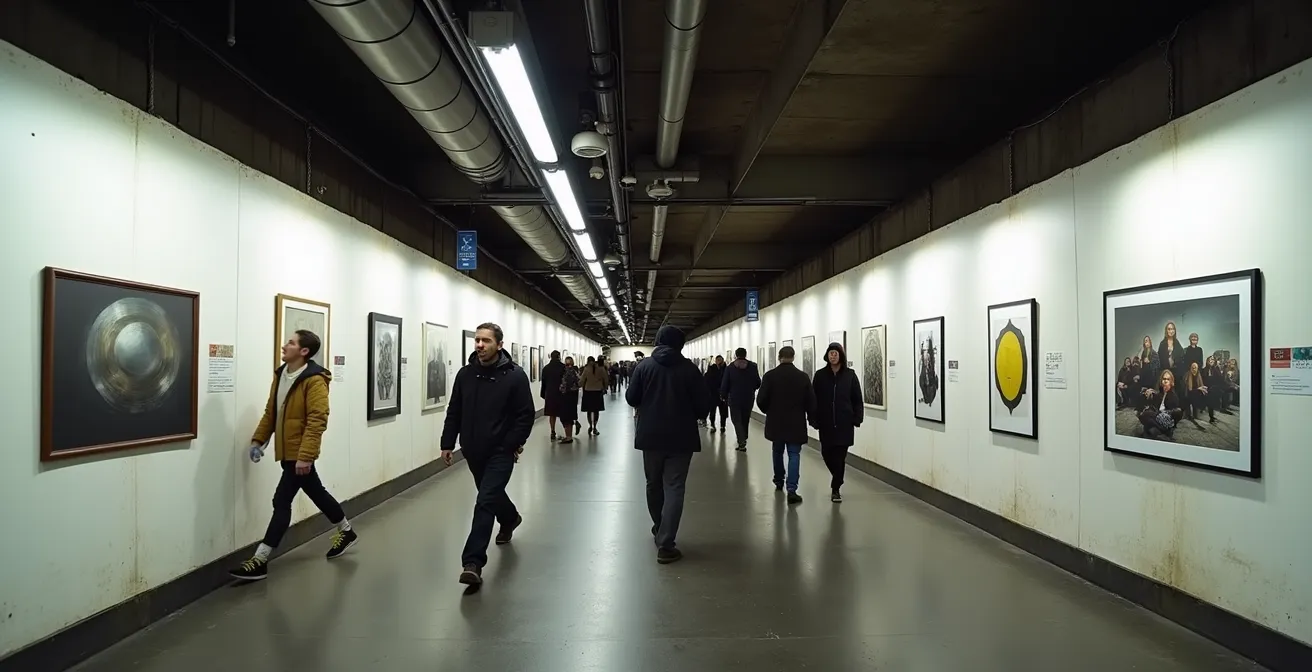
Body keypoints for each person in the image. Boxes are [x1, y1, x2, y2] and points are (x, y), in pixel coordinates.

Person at [230, 329, 355, 581]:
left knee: (280, 501)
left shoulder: (315, 380)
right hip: (288, 453)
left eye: (291, 342)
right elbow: (271, 412)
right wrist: (259, 440)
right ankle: (346, 530)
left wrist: (306, 456)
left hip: (300, 454)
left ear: (304, 351)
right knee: (317, 492)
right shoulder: (281, 374)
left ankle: (260, 559)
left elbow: (318, 419)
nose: (285, 345)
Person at [440, 322, 535, 586]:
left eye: (486, 341)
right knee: (490, 494)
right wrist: (448, 442)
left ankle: (472, 563)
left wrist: (511, 443)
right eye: (477, 340)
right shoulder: (465, 374)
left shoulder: (515, 376)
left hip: (501, 452)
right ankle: (510, 518)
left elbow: (524, 415)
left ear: (499, 345)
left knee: (484, 501)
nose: (480, 345)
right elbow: (454, 410)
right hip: (473, 449)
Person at [626, 325, 714, 564]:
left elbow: (631, 398)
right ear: (681, 344)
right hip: (681, 438)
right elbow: (703, 405)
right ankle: (666, 544)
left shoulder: (643, 367)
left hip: (650, 436)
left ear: (658, 342)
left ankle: (659, 526)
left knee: (653, 484)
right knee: (674, 487)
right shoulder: (690, 370)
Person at [756, 346, 816, 504]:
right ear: (794, 357)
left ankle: (778, 480)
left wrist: (769, 411)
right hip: (796, 423)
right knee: (794, 454)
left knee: (777, 451)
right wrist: (812, 418)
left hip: (776, 422)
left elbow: (761, 400)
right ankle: (792, 489)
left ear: (779, 357)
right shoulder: (803, 377)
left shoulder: (770, 376)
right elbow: (811, 402)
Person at [811, 342, 863, 503]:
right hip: (826, 422)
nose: (833, 356)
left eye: (836, 353)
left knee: (840, 456)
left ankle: (836, 488)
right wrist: (813, 418)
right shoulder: (820, 376)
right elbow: (813, 398)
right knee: (826, 453)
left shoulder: (850, 375)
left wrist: (857, 417)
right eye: (830, 353)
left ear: (841, 356)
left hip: (844, 422)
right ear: (827, 356)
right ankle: (838, 478)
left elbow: (857, 399)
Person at [719, 347, 761, 451]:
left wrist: (723, 395)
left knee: (736, 419)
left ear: (736, 355)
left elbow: (725, 383)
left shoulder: (730, 367)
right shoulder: (753, 366)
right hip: (748, 397)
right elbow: (758, 382)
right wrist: (751, 389)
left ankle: (741, 440)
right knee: (745, 419)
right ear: (746, 354)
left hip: (734, 397)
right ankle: (744, 437)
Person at [579, 355, 609, 435]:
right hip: (598, 392)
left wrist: (577, 386)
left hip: (588, 392)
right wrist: (605, 388)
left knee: (589, 411)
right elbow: (606, 379)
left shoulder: (586, 369)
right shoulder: (601, 368)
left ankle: (590, 426)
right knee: (596, 411)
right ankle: (595, 427)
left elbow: (582, 380)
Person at [540, 350, 565, 441]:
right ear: (559, 357)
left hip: (550, 393)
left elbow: (544, 382)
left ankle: (552, 431)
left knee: (552, 414)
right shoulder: (563, 367)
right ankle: (567, 432)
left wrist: (543, 394)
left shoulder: (546, 368)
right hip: (561, 393)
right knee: (563, 413)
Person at [557, 356, 581, 443]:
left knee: (564, 417)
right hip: (573, 397)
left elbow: (562, 386)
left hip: (565, 397)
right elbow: (579, 383)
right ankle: (569, 435)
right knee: (570, 416)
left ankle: (568, 437)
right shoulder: (575, 372)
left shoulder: (564, 373)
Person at [701, 355, 728, 432]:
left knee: (723, 412)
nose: (719, 362)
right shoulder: (711, 369)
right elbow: (706, 380)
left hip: (723, 393)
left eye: (720, 360)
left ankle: (723, 425)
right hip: (713, 393)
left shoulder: (726, 369)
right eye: (718, 360)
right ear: (715, 361)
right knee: (712, 410)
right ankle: (712, 424)